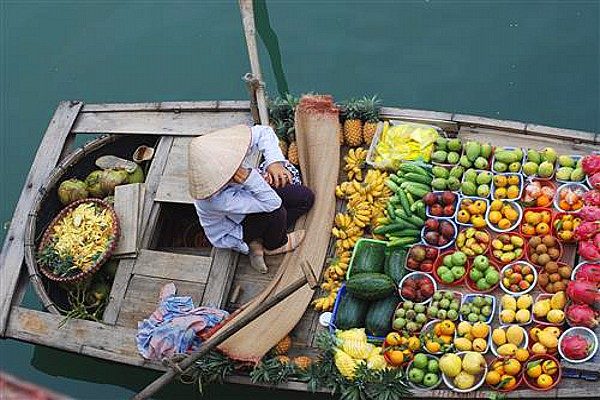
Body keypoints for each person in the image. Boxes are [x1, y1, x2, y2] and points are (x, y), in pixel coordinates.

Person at [188, 124, 314, 273]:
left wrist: (274, 163)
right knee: (277, 213)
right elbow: (272, 203)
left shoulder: (225, 148)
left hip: (249, 196)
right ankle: (274, 244)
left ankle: (261, 237)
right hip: (237, 226)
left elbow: (263, 132)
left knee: (305, 197)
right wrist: (250, 178)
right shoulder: (216, 200)